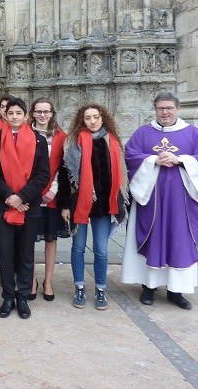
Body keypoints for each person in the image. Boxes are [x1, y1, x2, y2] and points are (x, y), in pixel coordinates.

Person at [121, 92, 198, 310]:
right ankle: (149, 287)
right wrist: (153, 160)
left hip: (181, 203)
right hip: (150, 201)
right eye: (161, 108)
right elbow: (130, 155)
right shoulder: (143, 133)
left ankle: (176, 291)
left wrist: (180, 159)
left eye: (169, 108)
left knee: (179, 240)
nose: (165, 112)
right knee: (152, 239)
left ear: (177, 109)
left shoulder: (193, 133)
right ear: (155, 109)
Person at [0, 97, 50, 319]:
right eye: (10, 113)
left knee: (25, 255)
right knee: (5, 254)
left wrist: (21, 197)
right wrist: (9, 196)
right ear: (5, 115)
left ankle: (22, 297)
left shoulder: (39, 141)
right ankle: (8, 297)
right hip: (4, 205)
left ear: (26, 116)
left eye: (18, 113)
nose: (14, 117)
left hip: (28, 206)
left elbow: (43, 175)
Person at [60, 104, 128, 311]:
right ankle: (79, 287)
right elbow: (65, 176)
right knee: (78, 247)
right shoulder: (73, 142)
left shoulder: (113, 141)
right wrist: (65, 205)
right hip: (79, 202)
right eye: (87, 117)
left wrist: (120, 200)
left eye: (95, 117)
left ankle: (100, 289)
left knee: (101, 250)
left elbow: (122, 172)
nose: (92, 121)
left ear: (102, 118)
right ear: (82, 120)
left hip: (104, 204)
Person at [28, 97, 68, 302]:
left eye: (46, 111)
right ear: (32, 113)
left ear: (52, 114)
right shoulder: (26, 133)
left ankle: (48, 281)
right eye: (38, 111)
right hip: (30, 194)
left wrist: (54, 189)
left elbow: (64, 167)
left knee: (51, 239)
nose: (42, 115)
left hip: (52, 195)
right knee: (29, 239)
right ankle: (32, 280)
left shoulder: (61, 136)